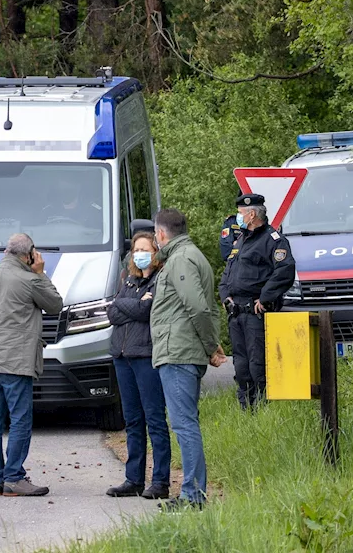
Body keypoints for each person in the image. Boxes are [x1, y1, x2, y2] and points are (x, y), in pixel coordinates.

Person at [0, 233, 65, 497]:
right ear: (29, 255)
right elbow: (55, 305)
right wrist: (41, 273)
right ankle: (14, 477)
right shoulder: (30, 280)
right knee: (20, 419)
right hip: (16, 362)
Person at [150, 208, 226, 510]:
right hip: (180, 350)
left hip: (178, 352)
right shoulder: (192, 255)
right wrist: (211, 342)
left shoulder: (181, 259)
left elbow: (196, 307)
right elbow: (207, 306)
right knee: (185, 423)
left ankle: (193, 497)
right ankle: (192, 494)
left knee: (184, 425)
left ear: (160, 234)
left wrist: (210, 345)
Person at [105, 231, 171, 501]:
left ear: (156, 253)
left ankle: (160, 481)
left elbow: (147, 312)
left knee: (154, 419)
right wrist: (128, 304)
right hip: (122, 355)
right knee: (132, 420)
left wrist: (124, 306)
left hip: (146, 356)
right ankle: (133, 479)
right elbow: (111, 312)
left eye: (146, 249)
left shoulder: (159, 280)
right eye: (136, 249)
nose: (140, 254)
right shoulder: (128, 280)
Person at [219, 192, 296, 411]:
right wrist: (225, 296)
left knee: (257, 365)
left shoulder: (273, 240)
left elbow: (285, 270)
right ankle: (246, 410)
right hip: (236, 313)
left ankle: (263, 410)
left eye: (241, 213)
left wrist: (265, 297)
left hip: (256, 313)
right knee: (241, 366)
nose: (238, 217)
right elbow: (228, 273)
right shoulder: (242, 239)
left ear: (252, 214)